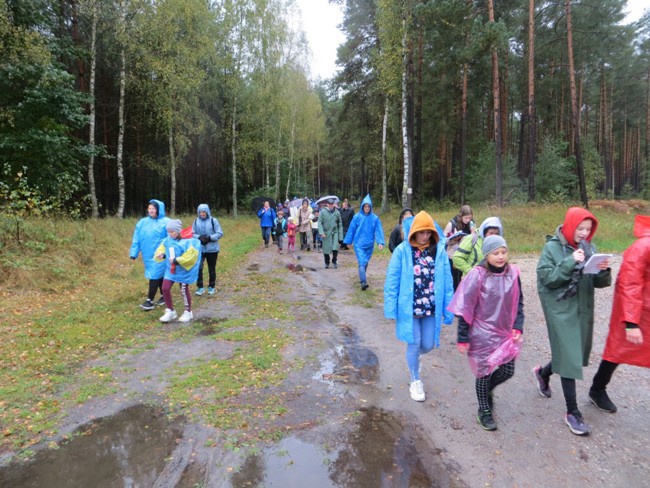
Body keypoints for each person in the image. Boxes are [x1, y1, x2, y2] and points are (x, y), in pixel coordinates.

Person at [533, 207, 611, 436]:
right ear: (570, 226)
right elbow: (547, 278)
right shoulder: (551, 248)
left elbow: (599, 283)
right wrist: (569, 261)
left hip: (582, 308)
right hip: (560, 308)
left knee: (571, 352)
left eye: (588, 229)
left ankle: (543, 373)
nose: (585, 233)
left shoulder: (589, 247)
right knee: (569, 357)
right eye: (581, 228)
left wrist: (603, 270)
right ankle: (572, 412)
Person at [449, 235, 524, 431]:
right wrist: (462, 337)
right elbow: (465, 307)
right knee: (483, 373)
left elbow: (519, 302)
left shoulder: (513, 273)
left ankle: (487, 390)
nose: (501, 256)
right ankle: (484, 410)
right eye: (495, 253)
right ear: (487, 255)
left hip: (504, 334)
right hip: (480, 334)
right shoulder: (478, 275)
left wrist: (518, 325)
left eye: (503, 252)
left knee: (508, 370)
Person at [384, 211, 454, 402]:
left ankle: (414, 357)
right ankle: (415, 380)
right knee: (414, 344)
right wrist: (390, 306)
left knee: (428, 344)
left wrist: (449, 309)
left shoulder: (439, 252)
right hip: (410, 309)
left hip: (431, 308)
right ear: (414, 232)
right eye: (422, 232)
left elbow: (447, 282)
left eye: (428, 232)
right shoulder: (402, 251)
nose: (425, 236)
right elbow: (392, 280)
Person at [588, 214, 650, 414]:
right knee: (616, 351)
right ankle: (597, 390)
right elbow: (629, 284)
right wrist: (631, 323)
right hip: (636, 313)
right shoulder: (642, 247)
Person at [154, 219, 202, 323]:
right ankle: (170, 311)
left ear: (178, 231)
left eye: (172, 232)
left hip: (183, 271)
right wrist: (162, 254)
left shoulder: (187, 241)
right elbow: (163, 248)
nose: (170, 234)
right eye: (169, 232)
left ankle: (188, 312)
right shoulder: (167, 240)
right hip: (171, 270)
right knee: (165, 288)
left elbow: (191, 256)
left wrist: (177, 260)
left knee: (184, 290)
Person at [129, 199, 169, 311]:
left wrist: (167, 253)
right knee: (158, 275)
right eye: (149, 208)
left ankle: (149, 301)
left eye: (153, 208)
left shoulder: (166, 222)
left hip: (160, 255)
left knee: (154, 275)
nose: (151, 210)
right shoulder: (142, 223)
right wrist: (134, 253)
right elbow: (136, 238)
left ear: (158, 209)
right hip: (147, 255)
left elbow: (171, 239)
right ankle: (164, 296)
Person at [343, 194, 385, 290]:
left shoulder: (375, 218)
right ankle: (363, 282)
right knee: (362, 262)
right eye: (365, 206)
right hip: (359, 244)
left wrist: (380, 242)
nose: (366, 208)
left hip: (369, 244)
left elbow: (378, 230)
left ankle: (362, 276)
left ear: (370, 207)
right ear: (362, 206)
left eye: (368, 206)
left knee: (365, 261)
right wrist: (349, 241)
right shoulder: (357, 217)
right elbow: (351, 229)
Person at [192, 204, 223, 296]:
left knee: (211, 269)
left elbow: (220, 233)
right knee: (199, 268)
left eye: (204, 211)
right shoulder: (195, 221)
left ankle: (211, 287)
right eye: (200, 212)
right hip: (200, 249)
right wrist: (199, 237)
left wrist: (210, 237)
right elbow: (192, 233)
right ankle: (200, 287)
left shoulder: (214, 221)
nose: (202, 214)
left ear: (207, 212)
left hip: (212, 249)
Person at [444, 205, 475, 290]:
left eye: (470, 218)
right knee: (454, 278)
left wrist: (473, 233)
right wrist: (455, 239)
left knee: (462, 279)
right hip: (452, 254)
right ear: (461, 216)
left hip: (464, 255)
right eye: (466, 218)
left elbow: (474, 239)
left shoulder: (471, 224)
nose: (468, 220)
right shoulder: (452, 224)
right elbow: (444, 240)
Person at [318, 198, 343, 269]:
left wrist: (340, 235)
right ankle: (327, 262)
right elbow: (319, 223)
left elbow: (340, 223)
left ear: (334, 204)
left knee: (335, 248)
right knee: (326, 249)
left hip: (335, 232)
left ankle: (334, 261)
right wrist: (321, 232)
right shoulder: (323, 212)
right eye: (330, 204)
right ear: (327, 204)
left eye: (332, 204)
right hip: (326, 233)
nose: (331, 205)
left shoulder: (337, 212)